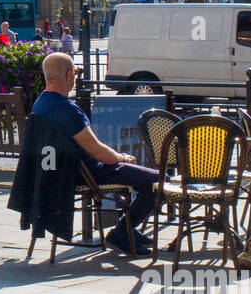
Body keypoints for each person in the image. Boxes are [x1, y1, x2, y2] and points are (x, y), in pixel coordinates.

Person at [30, 52, 158, 255]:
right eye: (76, 73)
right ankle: (123, 231)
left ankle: (126, 230)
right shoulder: (67, 110)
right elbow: (98, 152)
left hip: (57, 174)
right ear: (69, 75)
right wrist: (122, 157)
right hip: (88, 174)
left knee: (138, 176)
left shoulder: (39, 105)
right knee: (158, 182)